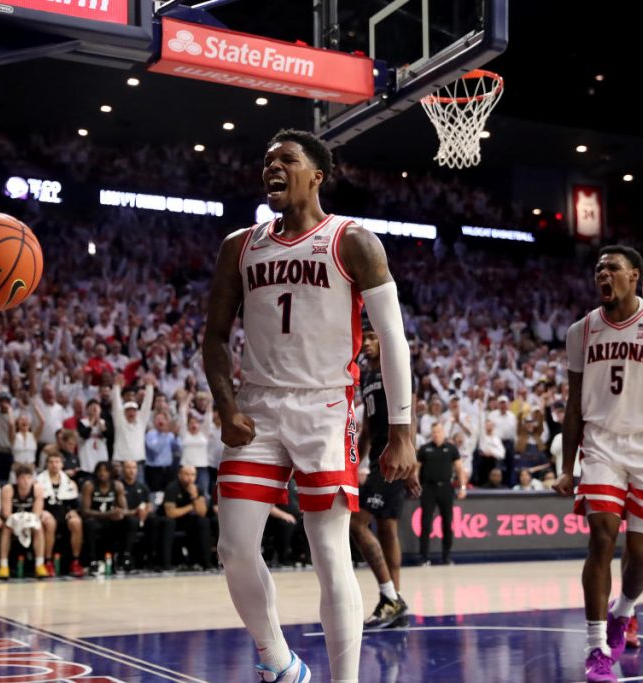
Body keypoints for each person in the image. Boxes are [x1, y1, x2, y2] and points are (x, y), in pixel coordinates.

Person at [203, 128, 416, 683]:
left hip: (326, 407)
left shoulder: (353, 240)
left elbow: (392, 337)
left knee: (329, 551)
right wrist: (226, 407)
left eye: (286, 160)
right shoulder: (240, 245)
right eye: (267, 160)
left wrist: (402, 430)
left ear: (317, 174)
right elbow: (214, 337)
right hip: (258, 409)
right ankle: (278, 662)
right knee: (233, 546)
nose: (271, 167)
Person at [553, 245, 643, 682]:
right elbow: (574, 405)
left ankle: (624, 611)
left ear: (634, 276)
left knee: (642, 553)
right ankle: (596, 646)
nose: (603, 274)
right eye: (598, 268)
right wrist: (566, 465)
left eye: (612, 267)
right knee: (601, 535)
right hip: (601, 444)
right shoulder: (581, 330)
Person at [350, 323, 418, 629]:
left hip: (392, 458)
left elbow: (411, 415)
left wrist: (410, 460)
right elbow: (366, 427)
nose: (366, 343)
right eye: (364, 338)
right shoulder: (366, 377)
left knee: (357, 524)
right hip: (377, 458)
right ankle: (396, 601)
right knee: (387, 529)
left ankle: (390, 596)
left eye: (373, 337)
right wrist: (355, 461)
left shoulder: (397, 368)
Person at [416, 423, 467, 565]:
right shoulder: (425, 449)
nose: (435, 434)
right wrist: (416, 486)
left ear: (443, 432)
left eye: (438, 431)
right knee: (425, 523)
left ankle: (446, 557)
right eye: (433, 432)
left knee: (447, 523)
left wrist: (462, 487)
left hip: (446, 487)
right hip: (428, 488)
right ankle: (424, 557)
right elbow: (417, 469)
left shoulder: (451, 449)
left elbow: (460, 469)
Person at [36, 451, 86, 577]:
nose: (54, 465)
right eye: (51, 462)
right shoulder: (38, 481)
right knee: (49, 523)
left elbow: (74, 505)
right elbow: (36, 503)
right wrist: (42, 512)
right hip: (46, 513)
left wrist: (73, 512)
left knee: (76, 522)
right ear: (46, 464)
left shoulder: (70, 482)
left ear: (62, 464)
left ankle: (75, 561)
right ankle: (47, 561)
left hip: (64, 513)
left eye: (57, 462)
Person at [0, 464, 49, 579]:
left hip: (30, 520)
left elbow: (37, 513)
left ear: (32, 479)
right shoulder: (8, 489)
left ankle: (40, 564)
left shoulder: (37, 489)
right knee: (6, 528)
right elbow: (6, 513)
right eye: (22, 478)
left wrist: (27, 521)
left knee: (38, 527)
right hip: (12, 520)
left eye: (28, 478)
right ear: (17, 479)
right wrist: (18, 521)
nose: (25, 481)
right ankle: (4, 565)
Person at [162, 465, 213, 569]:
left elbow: (202, 512)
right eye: (186, 474)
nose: (190, 478)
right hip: (174, 522)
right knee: (169, 522)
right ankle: (166, 564)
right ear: (179, 475)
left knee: (204, 521)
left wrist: (194, 496)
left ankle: (207, 563)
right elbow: (170, 513)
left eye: (193, 475)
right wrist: (190, 507)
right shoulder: (172, 488)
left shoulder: (197, 489)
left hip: (189, 521)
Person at [81, 461, 128, 571]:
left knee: (126, 522)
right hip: (94, 518)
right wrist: (107, 514)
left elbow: (124, 508)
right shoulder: (90, 486)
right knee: (90, 524)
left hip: (110, 519)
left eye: (106, 471)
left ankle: (120, 558)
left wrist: (119, 513)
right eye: (100, 471)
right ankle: (92, 560)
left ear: (111, 473)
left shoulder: (117, 486)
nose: (102, 473)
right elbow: (85, 511)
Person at [110, 375, 154, 483]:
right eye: (128, 410)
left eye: (133, 410)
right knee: (118, 490)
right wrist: (116, 387)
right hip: (120, 462)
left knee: (138, 490)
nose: (131, 413)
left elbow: (147, 405)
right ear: (124, 412)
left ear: (137, 412)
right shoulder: (120, 422)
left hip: (137, 462)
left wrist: (149, 387)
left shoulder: (141, 422)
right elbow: (116, 404)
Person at [119, 459, 159, 571]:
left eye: (134, 468)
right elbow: (118, 509)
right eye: (128, 467)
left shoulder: (142, 487)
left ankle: (151, 557)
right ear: (122, 469)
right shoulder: (119, 486)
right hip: (124, 518)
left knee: (153, 520)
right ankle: (126, 557)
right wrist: (135, 512)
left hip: (141, 517)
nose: (131, 470)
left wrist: (147, 510)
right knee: (132, 521)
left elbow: (149, 504)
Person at [145, 409, 180, 492]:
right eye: (158, 419)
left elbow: (178, 449)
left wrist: (176, 436)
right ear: (154, 421)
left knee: (168, 492)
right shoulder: (150, 434)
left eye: (162, 419)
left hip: (168, 469)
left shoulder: (170, 434)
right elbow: (155, 449)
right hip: (154, 469)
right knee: (155, 493)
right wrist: (165, 433)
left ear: (166, 421)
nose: (160, 421)